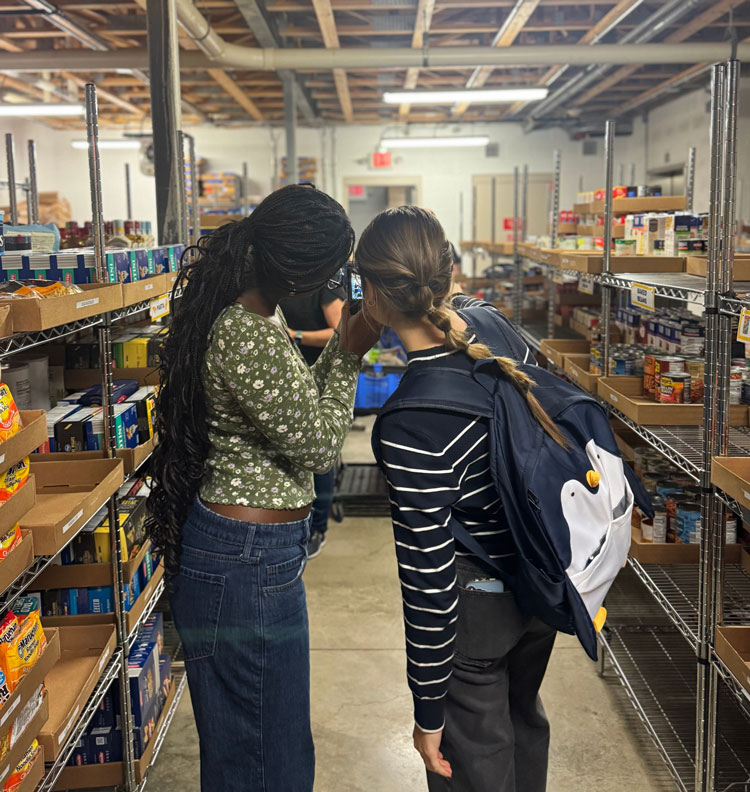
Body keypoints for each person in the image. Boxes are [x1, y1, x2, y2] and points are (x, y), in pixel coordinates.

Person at [146, 184, 380, 792]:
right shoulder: (246, 331)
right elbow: (322, 445)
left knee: (269, 744)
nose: (335, 280)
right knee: (257, 755)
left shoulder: (259, 313)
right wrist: (348, 357)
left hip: (256, 556)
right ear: (301, 271)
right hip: (243, 561)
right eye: (329, 268)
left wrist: (342, 350)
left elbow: (301, 410)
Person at [356, 206, 559, 792]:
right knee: (524, 727)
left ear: (371, 293)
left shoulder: (411, 419)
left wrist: (426, 712)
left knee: (476, 767)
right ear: (449, 271)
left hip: (479, 614)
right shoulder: (493, 328)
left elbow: (429, 580)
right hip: (540, 580)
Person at [280, 282, 346, 558]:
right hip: (287, 372)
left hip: (317, 371)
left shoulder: (325, 282)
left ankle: (317, 529)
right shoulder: (280, 277)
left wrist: (294, 336)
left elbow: (340, 332)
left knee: (319, 451)